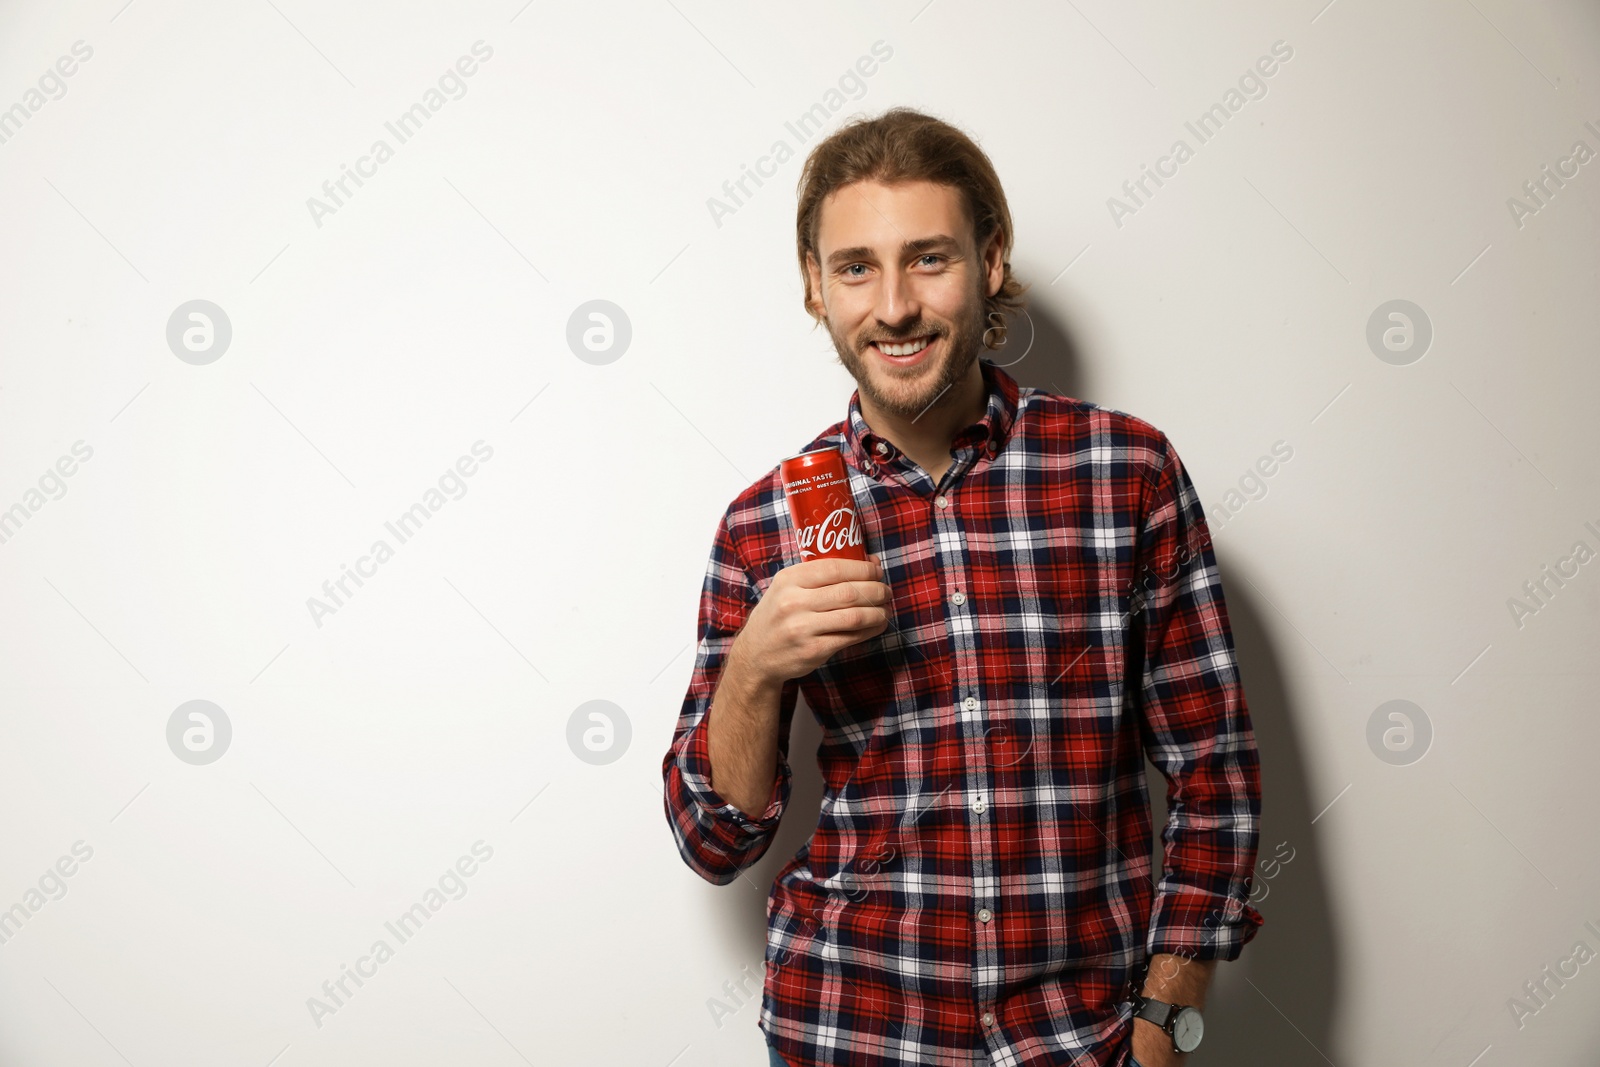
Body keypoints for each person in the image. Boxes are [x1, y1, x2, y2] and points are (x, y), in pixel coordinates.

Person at [660, 107, 1263, 1067]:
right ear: (816, 287)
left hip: (1080, 1041)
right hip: (849, 1032)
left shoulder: (1125, 472)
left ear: (990, 261)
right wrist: (755, 667)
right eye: (856, 266)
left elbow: (1213, 770)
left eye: (928, 258)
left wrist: (1165, 1023)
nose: (893, 306)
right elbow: (711, 840)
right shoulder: (763, 525)